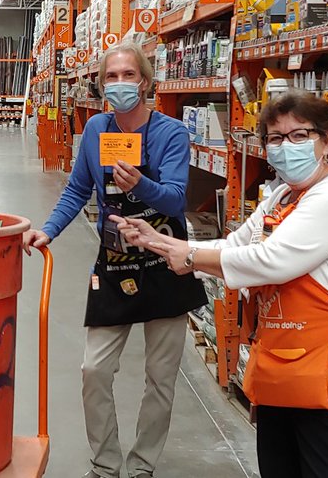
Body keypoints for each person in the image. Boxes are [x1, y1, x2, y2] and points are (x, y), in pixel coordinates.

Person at [113, 89, 328, 478]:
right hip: (290, 371)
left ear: (327, 140)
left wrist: (189, 258)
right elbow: (236, 246)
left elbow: (272, 261)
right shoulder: (283, 196)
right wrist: (160, 241)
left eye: (299, 135)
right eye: (275, 138)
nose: (286, 146)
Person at [23, 41, 206, 478]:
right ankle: (106, 466)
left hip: (165, 258)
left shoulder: (170, 133)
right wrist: (47, 230)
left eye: (128, 75)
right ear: (101, 83)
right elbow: (76, 190)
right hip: (116, 259)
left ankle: (141, 466)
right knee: (93, 369)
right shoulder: (95, 131)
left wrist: (141, 184)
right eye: (111, 76)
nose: (120, 83)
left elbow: (177, 200)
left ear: (145, 81)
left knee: (161, 378)